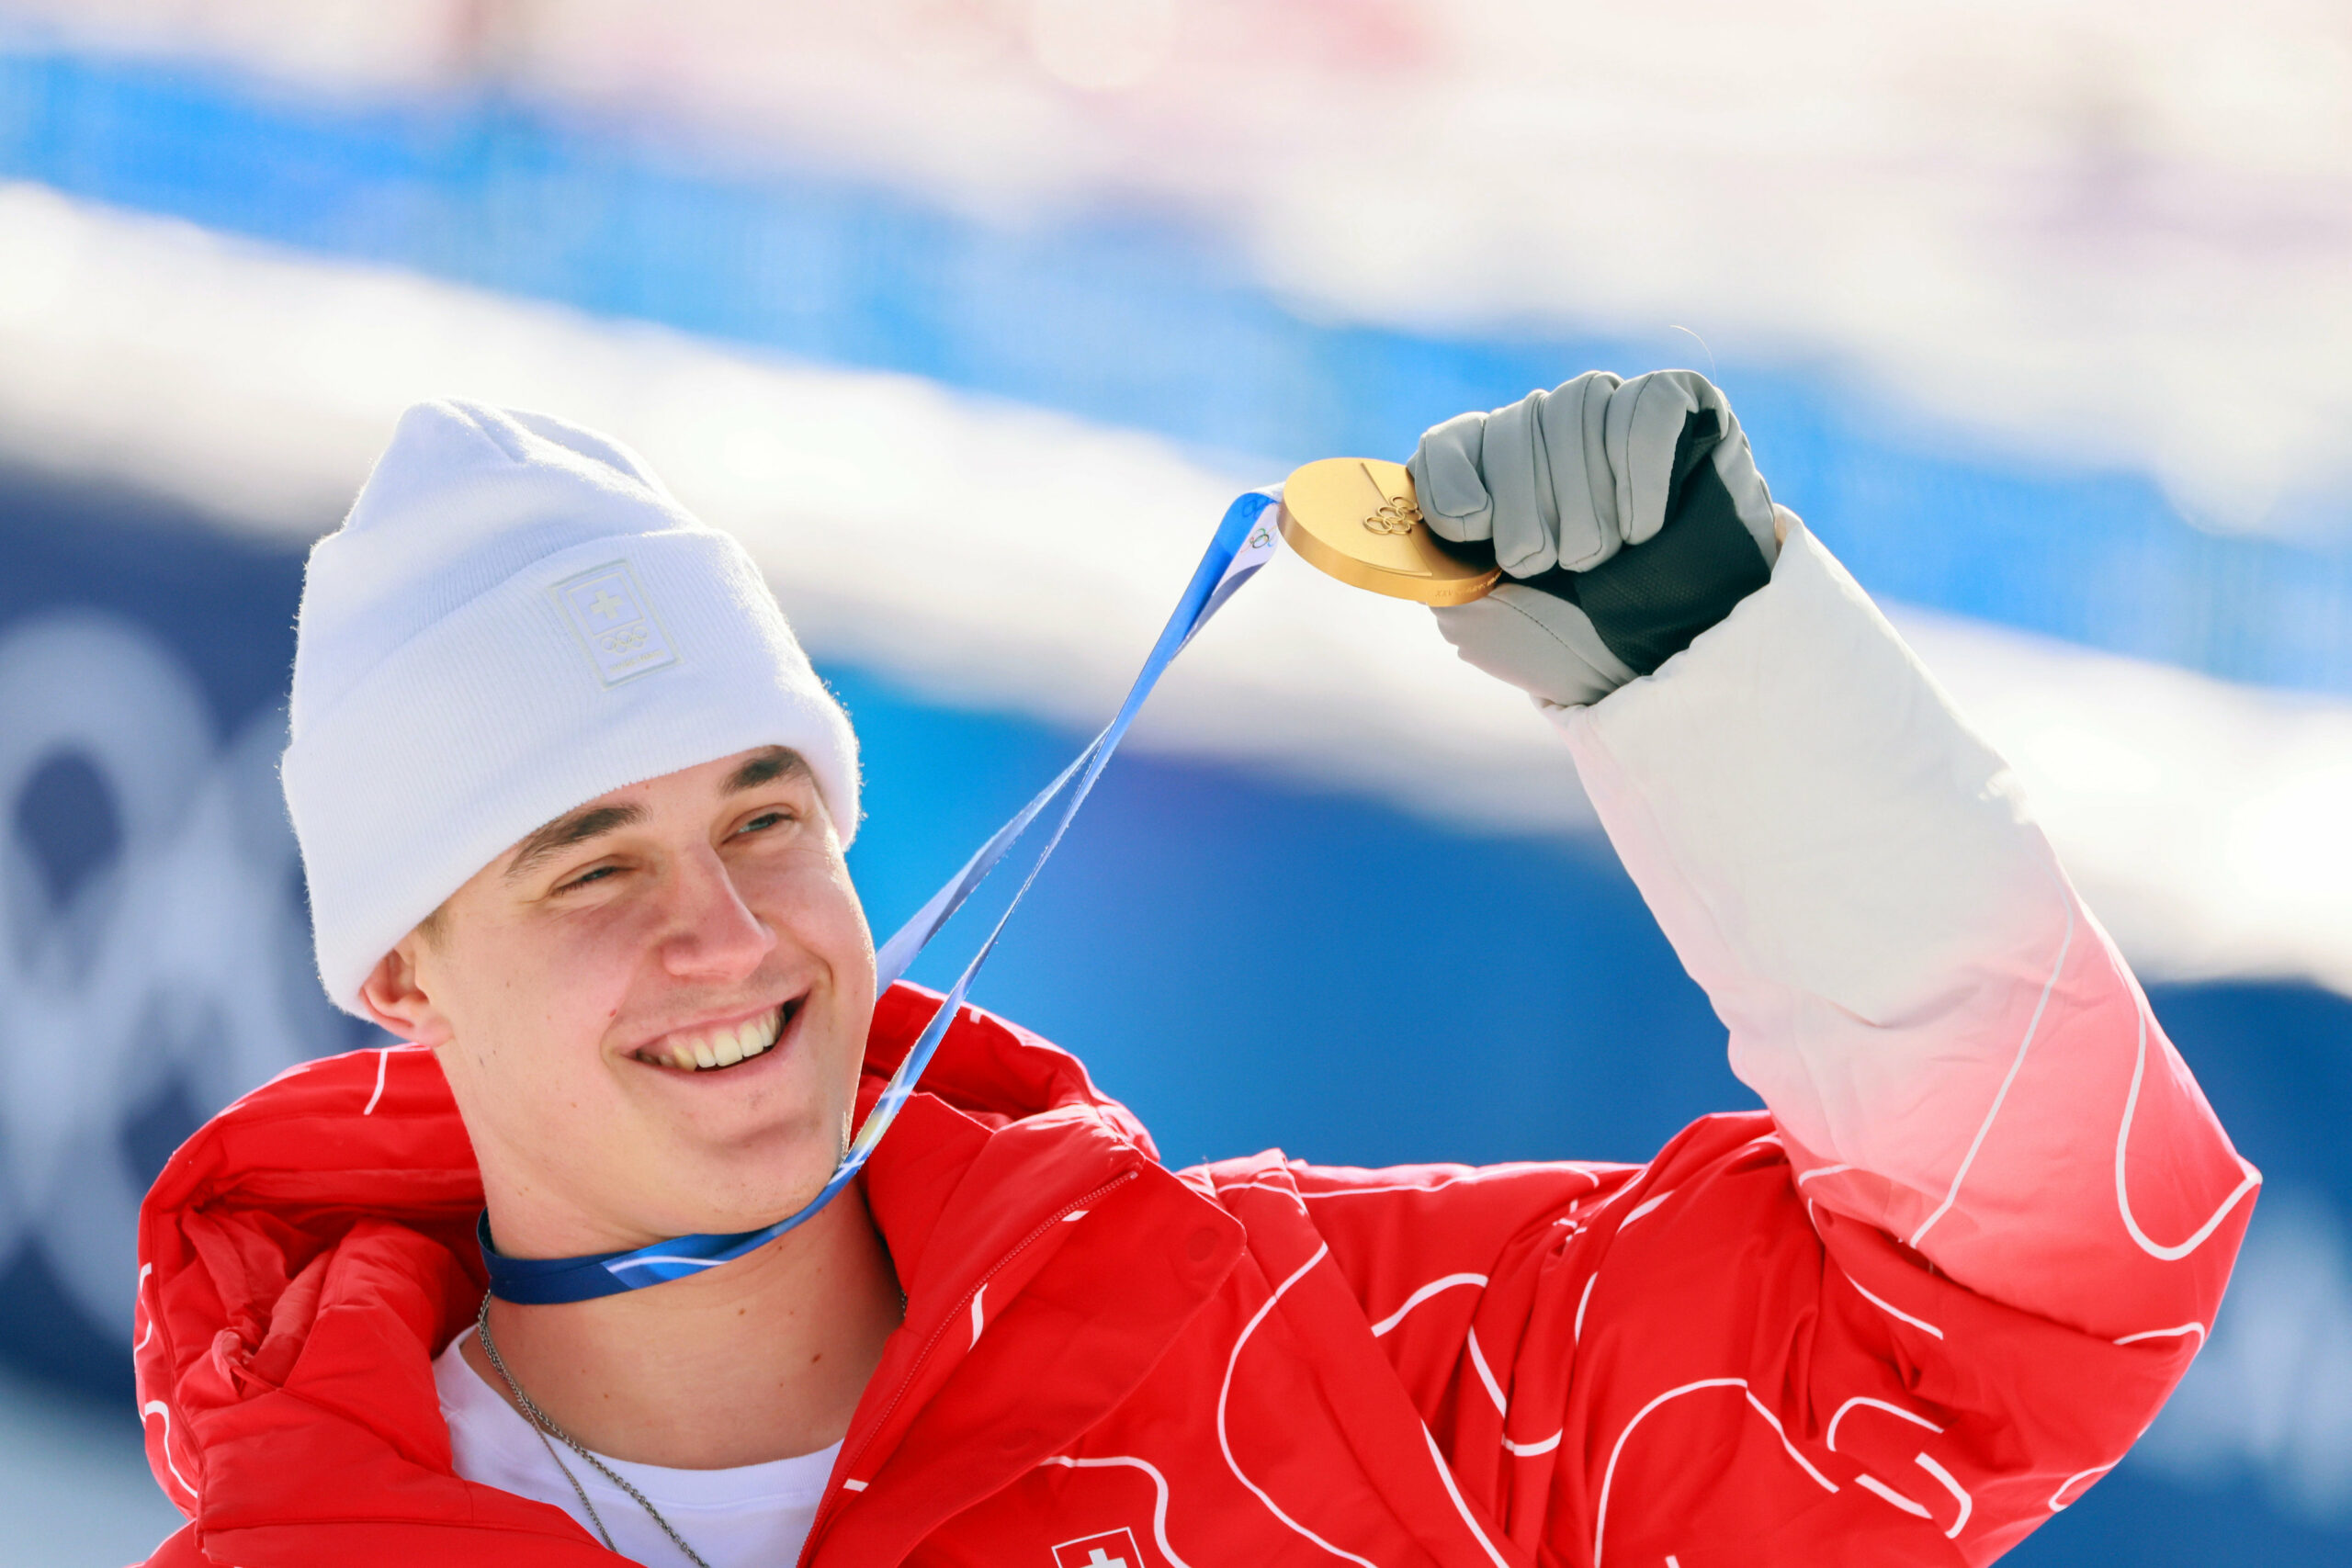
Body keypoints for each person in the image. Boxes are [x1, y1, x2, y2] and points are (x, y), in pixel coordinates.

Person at [133, 378, 2256, 1568]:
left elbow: (2016, 1318)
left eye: (764, 816)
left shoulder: (1310, 1365)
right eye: (587, 862)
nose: (725, 934)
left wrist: (1726, 675)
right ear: (401, 971)